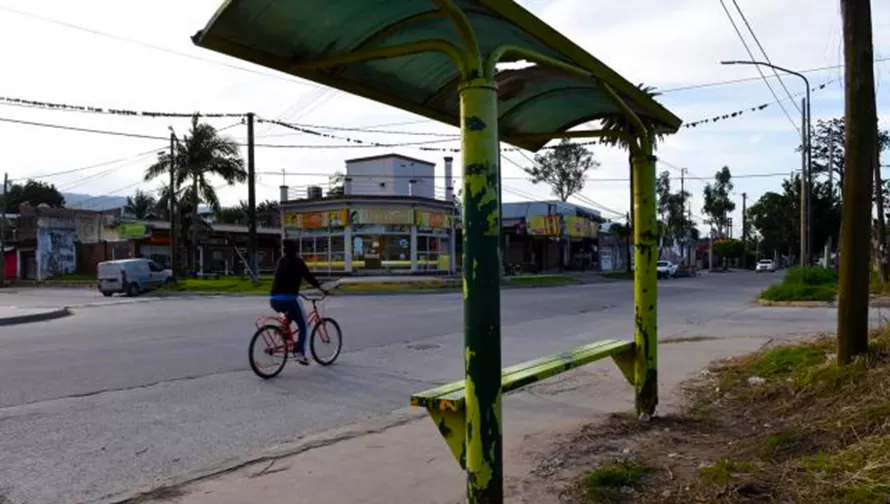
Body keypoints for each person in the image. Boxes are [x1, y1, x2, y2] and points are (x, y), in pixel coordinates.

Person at [270, 240, 327, 365]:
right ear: (295, 251)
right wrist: (321, 289)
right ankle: (299, 352)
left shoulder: (281, 261)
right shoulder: (298, 262)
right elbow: (309, 277)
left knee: (289, 314)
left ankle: (283, 329)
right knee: (304, 325)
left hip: (274, 299)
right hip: (289, 299)